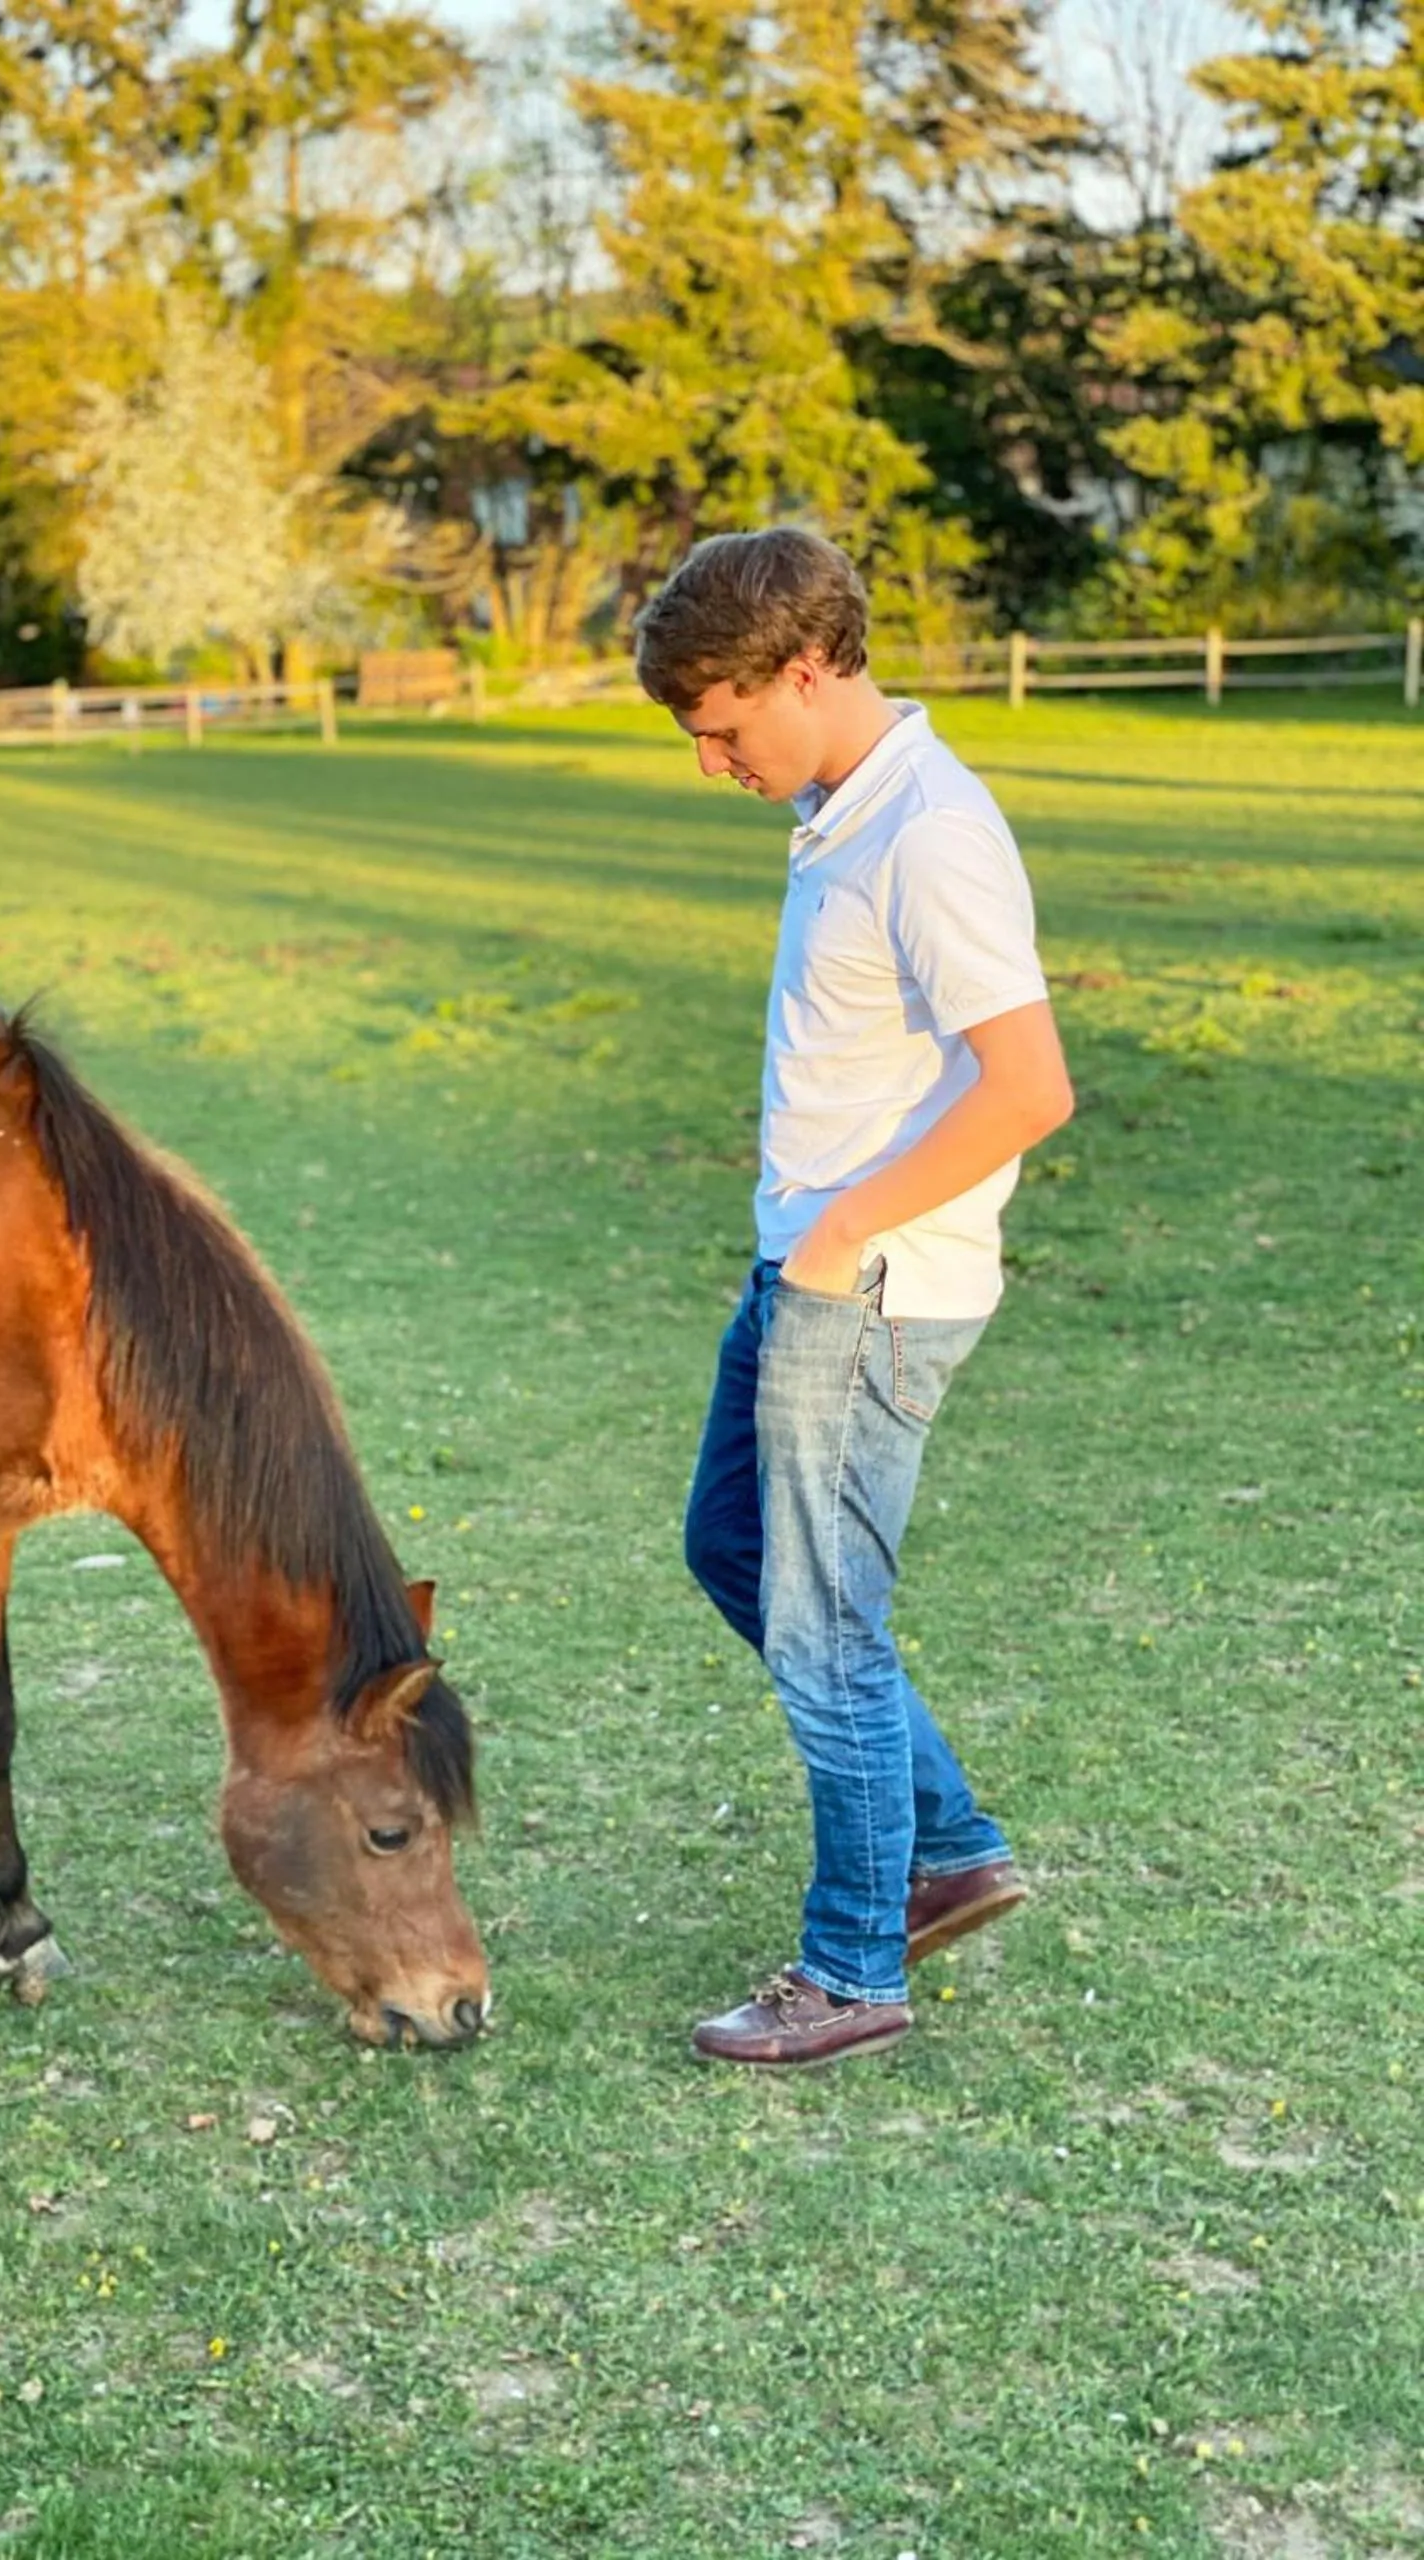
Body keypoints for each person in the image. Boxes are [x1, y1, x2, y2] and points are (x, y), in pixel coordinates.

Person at [634, 528, 1074, 2068]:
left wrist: (838, 1240)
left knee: (827, 1631)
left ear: (806, 671)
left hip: (867, 1291)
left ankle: (850, 1967)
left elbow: (1030, 1086)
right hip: (810, 1271)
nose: (713, 764)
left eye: (724, 729)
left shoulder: (931, 835)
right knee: (734, 1547)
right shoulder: (848, 807)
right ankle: (945, 1845)